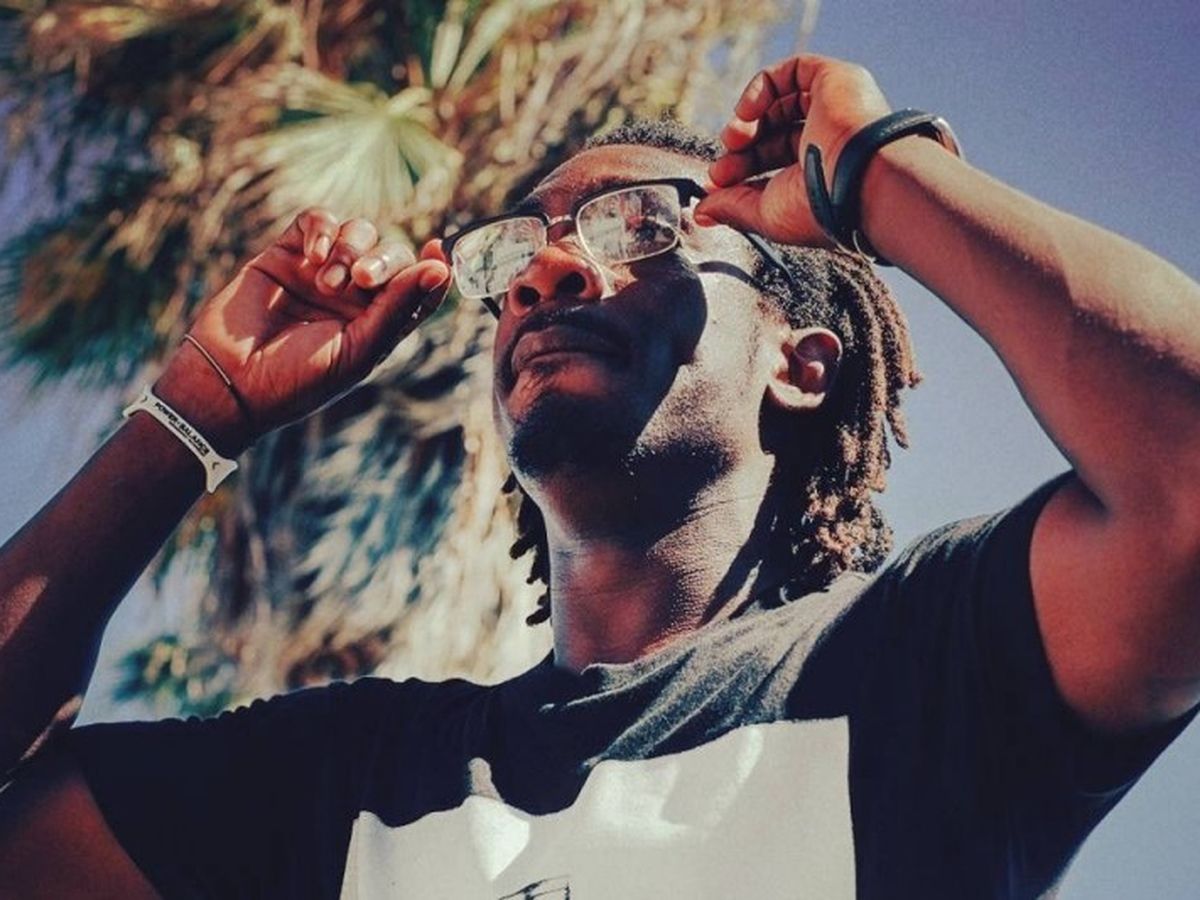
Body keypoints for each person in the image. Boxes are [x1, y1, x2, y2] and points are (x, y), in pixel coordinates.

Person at [0, 53, 1197, 899]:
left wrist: (875, 175)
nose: (547, 272)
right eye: (518, 250)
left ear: (800, 366)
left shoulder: (929, 670)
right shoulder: (344, 780)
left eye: (641, 227)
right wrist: (194, 414)